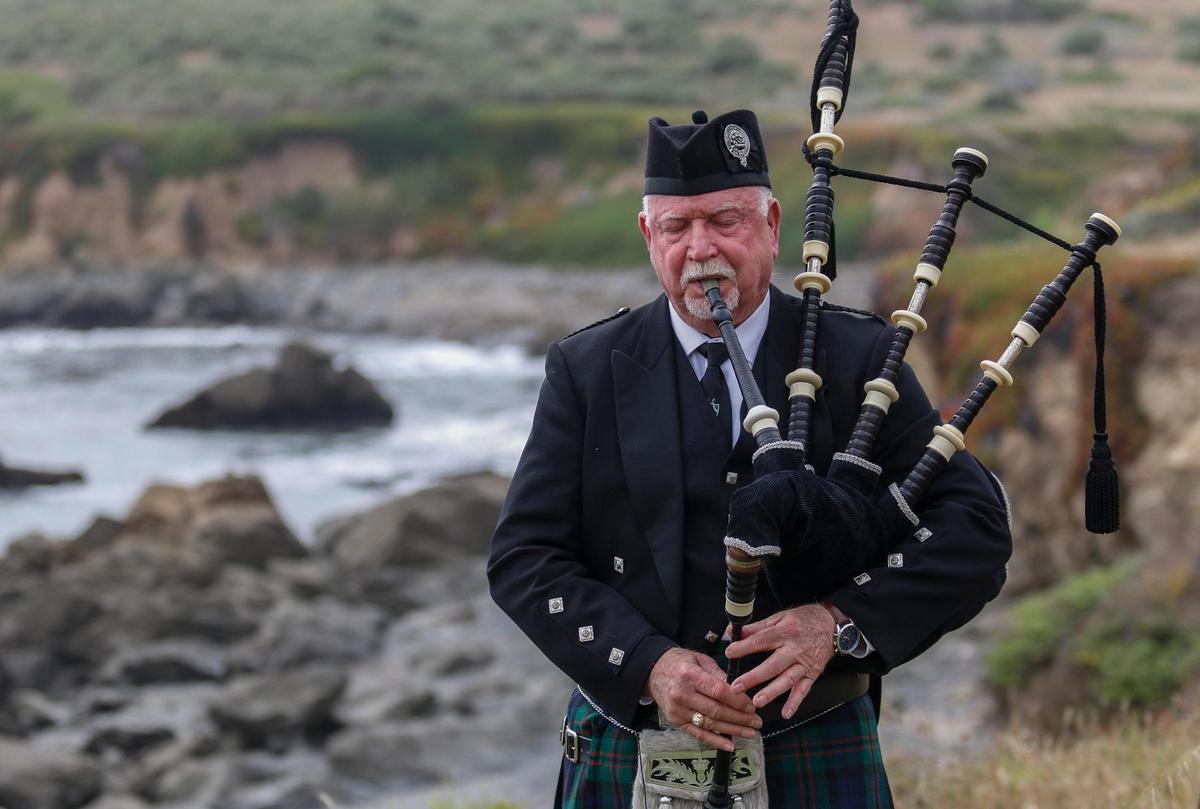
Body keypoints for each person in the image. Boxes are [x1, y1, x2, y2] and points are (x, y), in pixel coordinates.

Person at [488, 109, 1011, 808]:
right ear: (650, 236)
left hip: (813, 740)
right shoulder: (587, 369)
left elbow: (974, 529)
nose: (700, 248)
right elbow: (525, 557)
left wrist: (837, 623)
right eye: (677, 227)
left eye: (725, 220)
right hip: (631, 737)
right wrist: (650, 664)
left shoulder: (859, 360)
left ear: (770, 224)